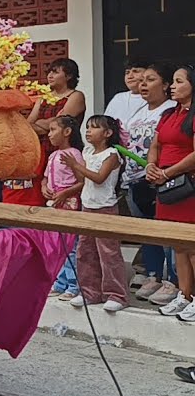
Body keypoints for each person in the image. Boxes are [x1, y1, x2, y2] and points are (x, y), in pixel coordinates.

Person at [126, 63, 180, 305]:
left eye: (150, 80)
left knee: (167, 232)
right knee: (146, 231)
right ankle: (153, 275)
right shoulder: (139, 111)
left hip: (161, 180)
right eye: (142, 80)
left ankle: (173, 280)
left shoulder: (170, 111)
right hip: (136, 179)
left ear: (166, 85)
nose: (143, 84)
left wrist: (157, 169)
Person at [62, 115, 128, 312]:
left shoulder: (112, 154)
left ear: (107, 133)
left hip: (105, 208)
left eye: (94, 127)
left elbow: (99, 178)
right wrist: (74, 167)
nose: (88, 131)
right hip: (87, 206)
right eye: (88, 127)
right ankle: (90, 292)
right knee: (85, 251)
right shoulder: (88, 151)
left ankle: (116, 294)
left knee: (109, 253)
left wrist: (76, 165)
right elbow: (83, 178)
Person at [3, 58, 86, 206]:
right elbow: (27, 125)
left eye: (55, 72)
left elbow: (60, 122)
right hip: (40, 150)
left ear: (68, 76)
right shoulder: (44, 97)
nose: (50, 76)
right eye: (49, 72)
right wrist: (46, 125)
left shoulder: (75, 96)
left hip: (64, 150)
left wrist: (42, 124)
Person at [148, 66, 195, 323]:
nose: (173, 86)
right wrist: (151, 166)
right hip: (167, 187)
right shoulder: (168, 114)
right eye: (173, 82)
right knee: (178, 244)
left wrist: (168, 173)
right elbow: (156, 145)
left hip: (187, 186)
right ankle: (185, 295)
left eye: (179, 81)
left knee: (192, 245)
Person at [44, 115, 84, 300]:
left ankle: (73, 284)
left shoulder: (74, 154)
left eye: (53, 130)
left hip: (68, 203)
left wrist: (66, 193)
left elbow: (82, 181)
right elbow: (45, 177)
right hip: (55, 202)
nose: (49, 134)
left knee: (70, 245)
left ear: (67, 132)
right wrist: (44, 187)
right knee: (57, 245)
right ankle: (59, 282)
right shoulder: (53, 155)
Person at [105, 59, 148, 124]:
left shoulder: (155, 98)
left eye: (135, 71)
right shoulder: (118, 98)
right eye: (127, 73)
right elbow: (105, 124)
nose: (130, 76)